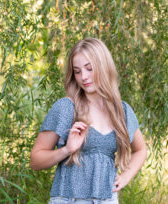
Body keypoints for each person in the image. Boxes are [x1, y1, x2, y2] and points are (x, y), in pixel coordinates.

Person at [30, 38, 147, 204]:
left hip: (107, 200)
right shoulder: (66, 108)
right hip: (69, 199)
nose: (83, 77)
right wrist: (66, 150)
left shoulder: (122, 111)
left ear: (104, 66)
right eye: (77, 71)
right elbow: (35, 161)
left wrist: (126, 176)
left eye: (89, 68)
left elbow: (141, 149)